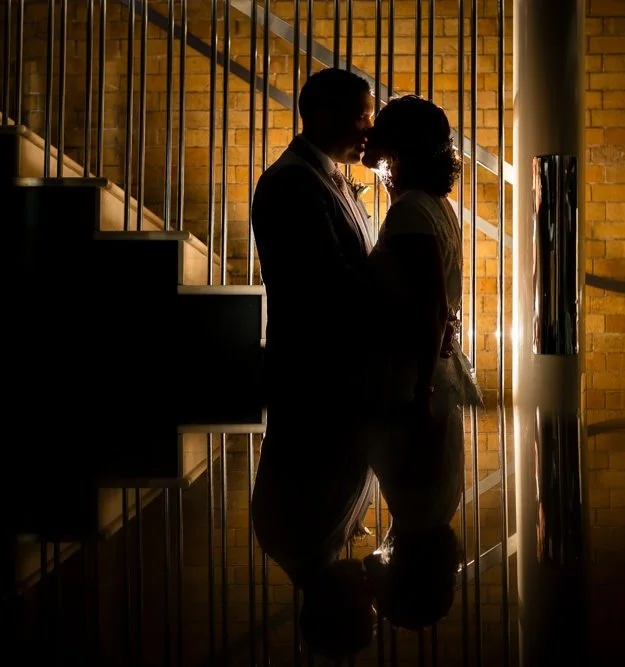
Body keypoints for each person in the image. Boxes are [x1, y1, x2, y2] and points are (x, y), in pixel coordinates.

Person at [249, 67, 380, 659]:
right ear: (322, 114)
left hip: (322, 380)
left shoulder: (312, 177)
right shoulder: (295, 185)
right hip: (316, 381)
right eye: (361, 115)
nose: (369, 128)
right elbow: (329, 286)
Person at [360, 94, 485, 629]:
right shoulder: (432, 204)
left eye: (380, 130)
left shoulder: (410, 209)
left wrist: (415, 396)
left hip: (414, 381)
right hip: (426, 377)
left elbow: (428, 305)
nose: (370, 137)